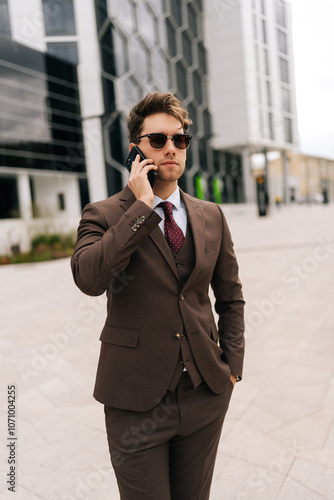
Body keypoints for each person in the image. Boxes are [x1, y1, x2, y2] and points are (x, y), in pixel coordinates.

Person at [71, 91, 245, 500]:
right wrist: (142, 208)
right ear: (136, 149)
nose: (171, 148)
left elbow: (231, 297)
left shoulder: (211, 215)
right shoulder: (105, 213)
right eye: (158, 139)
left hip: (205, 395)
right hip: (135, 401)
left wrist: (231, 366)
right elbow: (89, 278)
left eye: (179, 139)